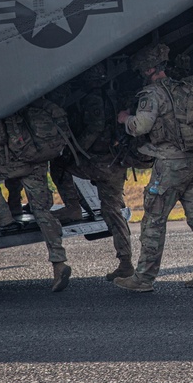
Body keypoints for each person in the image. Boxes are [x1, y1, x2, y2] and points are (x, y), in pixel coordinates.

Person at [113, 43, 193, 292]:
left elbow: (141, 126)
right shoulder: (185, 89)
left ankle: (143, 279)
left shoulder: (152, 94)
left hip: (170, 166)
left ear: (149, 69)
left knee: (153, 221)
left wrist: (125, 119)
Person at [0, 101, 72, 292]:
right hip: (37, 159)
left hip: (9, 160)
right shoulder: (30, 97)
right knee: (42, 211)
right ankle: (59, 262)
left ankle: (5, 219)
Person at [49, 64, 135, 281]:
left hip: (99, 160)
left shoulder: (93, 98)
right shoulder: (114, 95)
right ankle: (125, 262)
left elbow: (95, 128)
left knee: (59, 164)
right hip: (116, 161)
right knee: (113, 211)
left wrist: (76, 151)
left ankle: (72, 208)